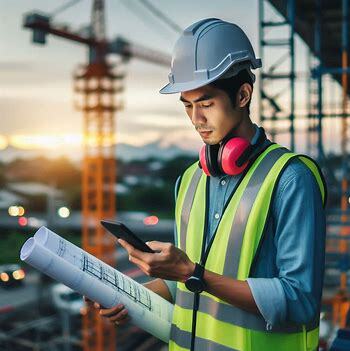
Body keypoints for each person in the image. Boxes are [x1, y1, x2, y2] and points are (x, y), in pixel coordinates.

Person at [86, 18, 327, 351]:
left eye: (206, 103)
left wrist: (190, 272)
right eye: (187, 105)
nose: (196, 119)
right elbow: (185, 284)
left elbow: (299, 302)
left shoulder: (290, 179)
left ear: (243, 95)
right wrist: (127, 296)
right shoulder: (190, 180)